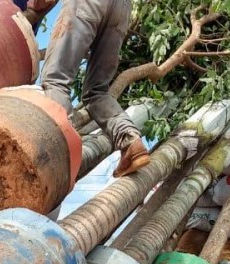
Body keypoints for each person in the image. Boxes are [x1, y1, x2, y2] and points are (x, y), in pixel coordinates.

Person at [16, 0, 150, 178]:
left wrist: (28, 14)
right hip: (122, 8)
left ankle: (62, 151)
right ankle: (130, 139)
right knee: (98, 91)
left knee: (56, 80)